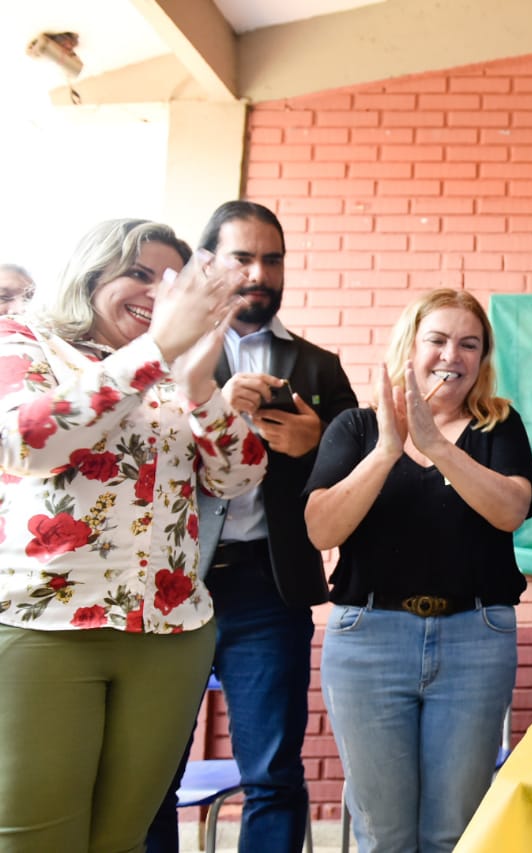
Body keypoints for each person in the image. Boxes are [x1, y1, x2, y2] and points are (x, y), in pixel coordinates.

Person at [0, 219, 264, 850]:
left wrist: (200, 387)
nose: (155, 292)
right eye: (138, 274)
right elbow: (25, 441)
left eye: (170, 281)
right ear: (91, 275)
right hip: (47, 628)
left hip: (170, 636)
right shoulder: (26, 342)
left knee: (122, 840)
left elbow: (239, 475)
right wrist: (155, 355)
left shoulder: (180, 368)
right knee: (34, 840)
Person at [149, 201, 358, 853]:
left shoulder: (319, 367)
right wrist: (208, 405)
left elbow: (358, 469)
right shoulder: (159, 355)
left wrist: (319, 441)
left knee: (272, 774)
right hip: (170, 585)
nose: (260, 273)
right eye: (243, 257)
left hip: (272, 588)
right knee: (151, 774)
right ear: (208, 262)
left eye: (273, 259)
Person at [304, 289, 532, 852]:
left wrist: (437, 445)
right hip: (368, 641)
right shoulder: (356, 429)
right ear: (409, 346)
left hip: (474, 640)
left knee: (453, 830)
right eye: (437, 339)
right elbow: (321, 530)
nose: (450, 355)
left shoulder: (498, 428)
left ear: (482, 360)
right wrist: (390, 448)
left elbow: (510, 510)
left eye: (468, 344)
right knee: (383, 833)